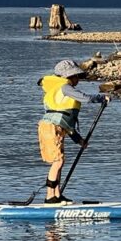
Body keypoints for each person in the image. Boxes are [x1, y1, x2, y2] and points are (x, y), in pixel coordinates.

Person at [38, 60, 109, 203]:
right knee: (58, 161)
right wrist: (101, 97)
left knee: (60, 161)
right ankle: (50, 197)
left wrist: (79, 140)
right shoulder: (65, 87)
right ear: (69, 76)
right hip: (51, 127)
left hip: (56, 127)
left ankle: (57, 195)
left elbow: (67, 123)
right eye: (76, 76)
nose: (78, 79)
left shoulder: (62, 89)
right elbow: (85, 98)